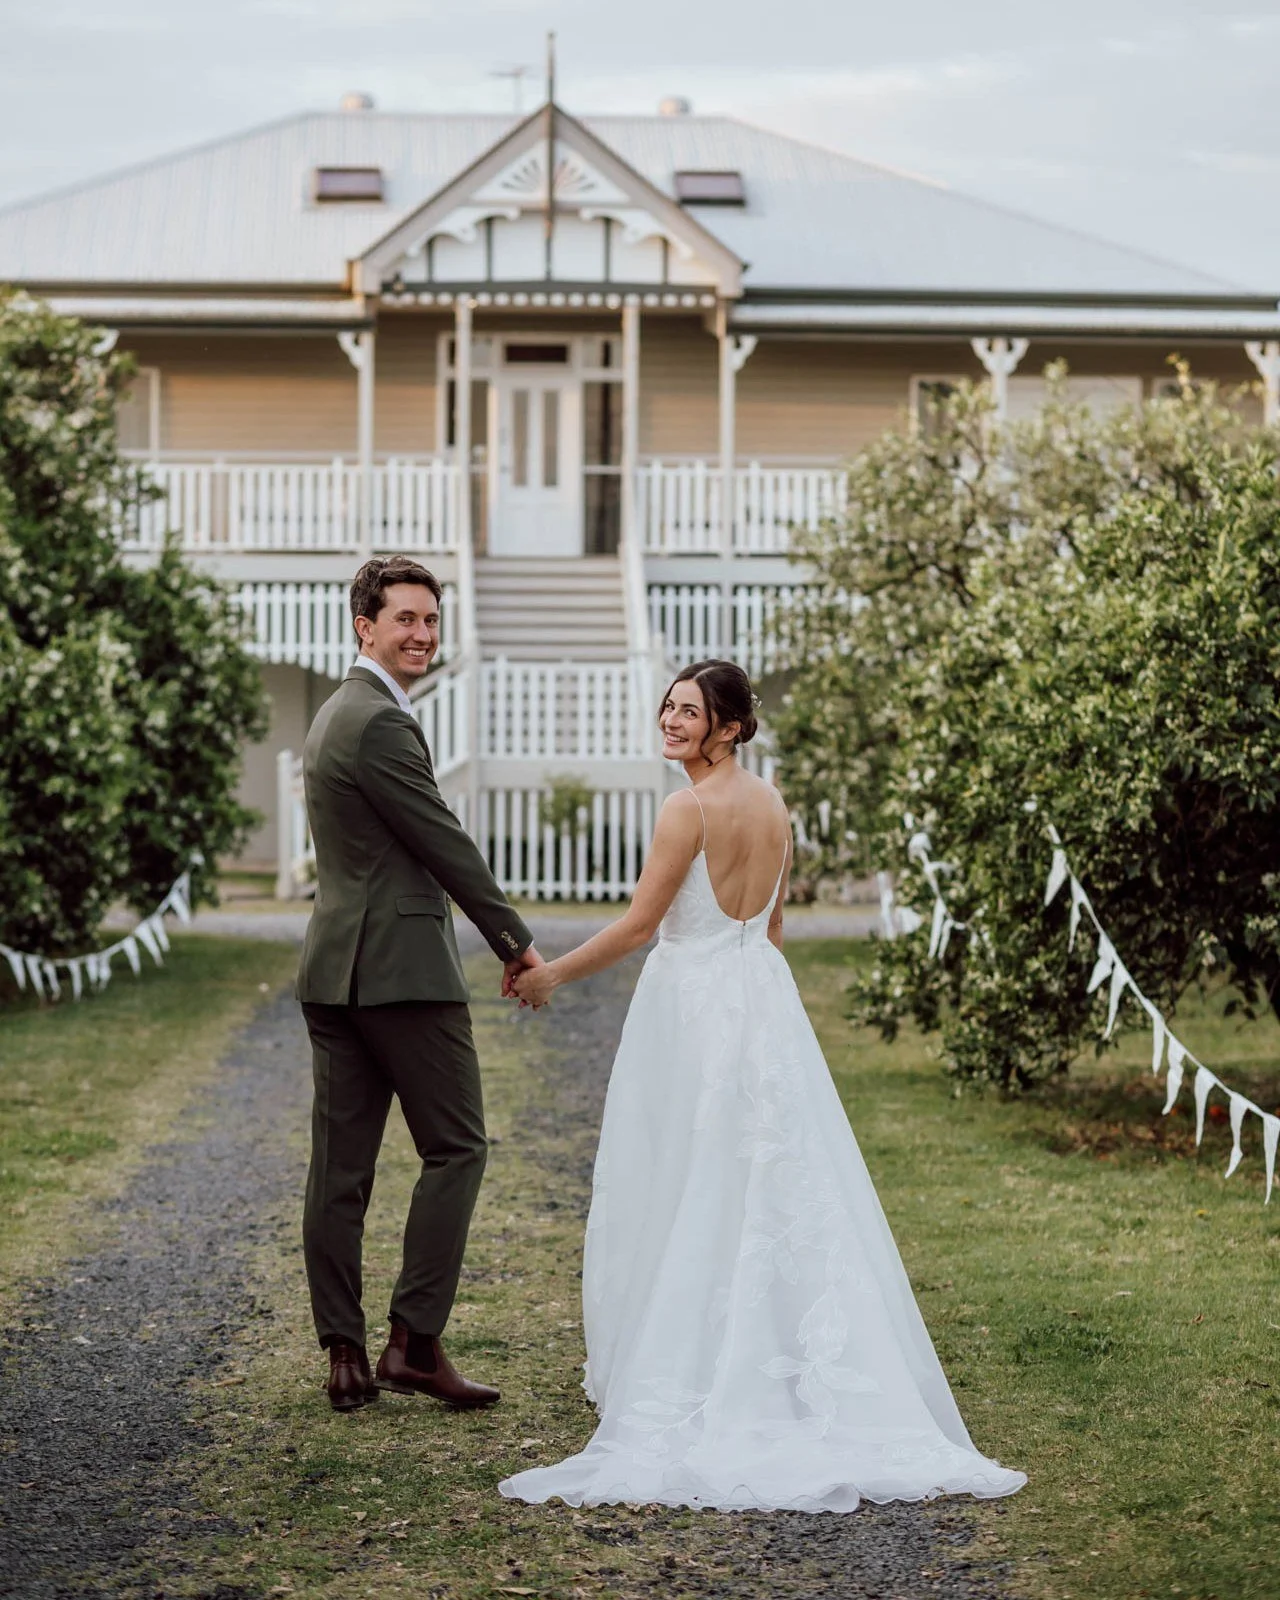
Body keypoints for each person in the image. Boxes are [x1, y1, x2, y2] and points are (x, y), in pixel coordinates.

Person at [500, 659, 1026, 1512]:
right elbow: (771, 929)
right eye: (667, 707)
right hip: (759, 1000)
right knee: (768, 1179)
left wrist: (549, 975)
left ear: (730, 728)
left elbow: (642, 926)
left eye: (689, 713)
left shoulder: (687, 809)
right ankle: (781, 1349)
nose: (671, 722)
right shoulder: (775, 804)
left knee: (683, 1174)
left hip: (691, 1005)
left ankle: (695, 1361)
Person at [296, 555, 543, 1413]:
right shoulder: (380, 723)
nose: (422, 635)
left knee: (340, 1169)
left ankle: (343, 1356)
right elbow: (444, 842)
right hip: (401, 973)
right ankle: (413, 1342)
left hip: (334, 971)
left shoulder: (335, 715)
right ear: (365, 626)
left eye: (431, 622)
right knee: (459, 1146)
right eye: (405, 619)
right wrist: (512, 940)